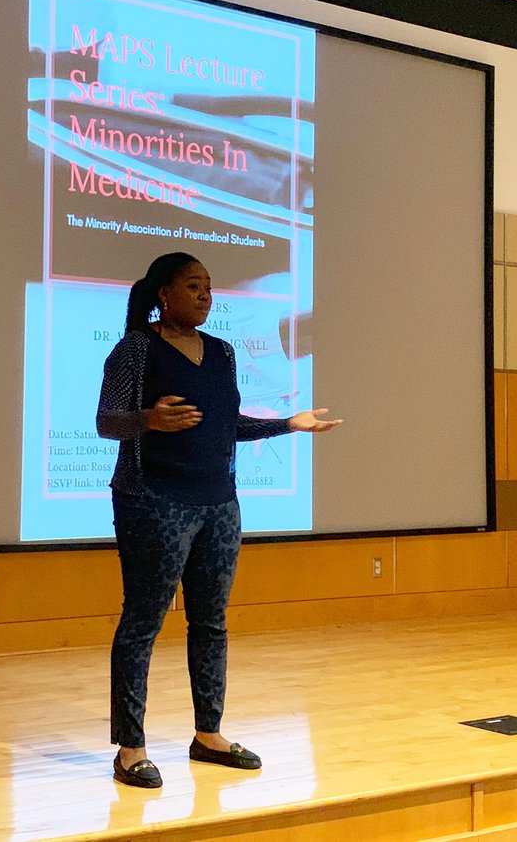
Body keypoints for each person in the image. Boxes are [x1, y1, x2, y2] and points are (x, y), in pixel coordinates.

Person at [96, 251, 342, 789]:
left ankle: (208, 735)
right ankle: (130, 748)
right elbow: (106, 423)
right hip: (152, 501)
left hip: (219, 505)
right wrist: (148, 419)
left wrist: (288, 423)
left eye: (209, 287)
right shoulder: (136, 349)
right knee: (143, 623)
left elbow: (227, 426)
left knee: (211, 622)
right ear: (164, 294)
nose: (206, 295)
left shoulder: (224, 353)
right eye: (193, 286)